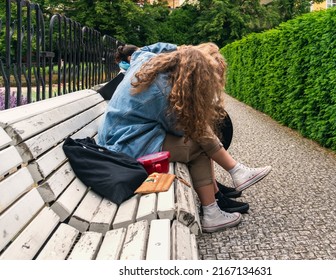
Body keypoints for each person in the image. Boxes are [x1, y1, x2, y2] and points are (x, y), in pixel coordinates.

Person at [98, 42, 271, 232]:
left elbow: (147, 48)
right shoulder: (162, 92)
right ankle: (216, 206)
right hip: (126, 145)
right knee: (197, 145)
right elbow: (182, 131)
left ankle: (233, 177)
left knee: (197, 135)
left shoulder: (145, 61)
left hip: (118, 134)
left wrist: (184, 50)